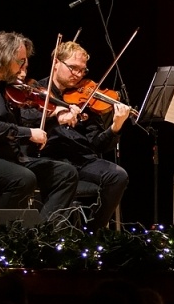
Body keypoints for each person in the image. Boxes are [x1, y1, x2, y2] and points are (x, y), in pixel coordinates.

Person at [0, 32, 79, 221]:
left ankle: (43, 231)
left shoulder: (6, 87)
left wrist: (55, 118)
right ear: (4, 57)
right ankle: (1, 233)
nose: (23, 70)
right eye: (20, 62)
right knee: (23, 178)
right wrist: (28, 133)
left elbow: (21, 124)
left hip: (9, 158)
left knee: (66, 174)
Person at [38, 40, 134, 231]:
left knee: (118, 176)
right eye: (73, 68)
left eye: (82, 70)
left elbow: (96, 144)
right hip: (51, 159)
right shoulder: (38, 92)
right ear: (56, 63)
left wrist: (114, 127)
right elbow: (26, 121)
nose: (78, 75)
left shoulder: (86, 100)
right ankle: (46, 233)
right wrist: (55, 115)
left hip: (82, 160)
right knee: (67, 172)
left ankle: (91, 232)